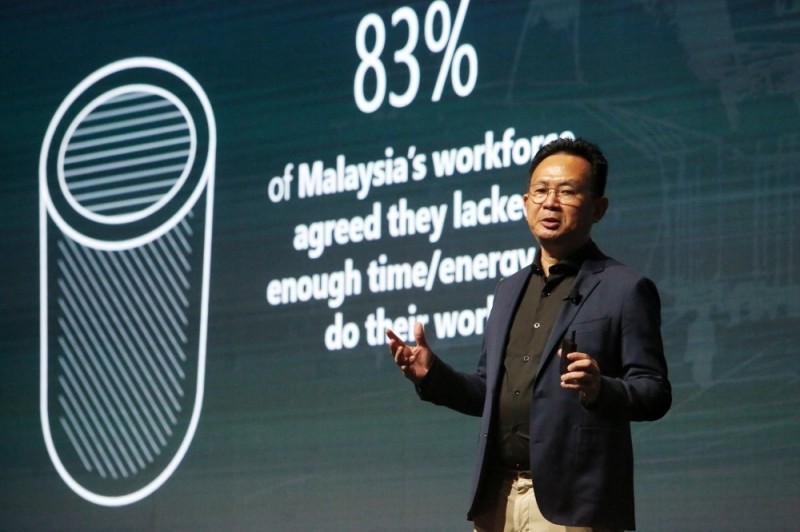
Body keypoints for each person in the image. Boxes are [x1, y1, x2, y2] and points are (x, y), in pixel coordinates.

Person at [386, 138, 671, 531]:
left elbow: (654, 392)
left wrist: (599, 389)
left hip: (572, 506)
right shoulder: (508, 290)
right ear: (525, 202)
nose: (550, 203)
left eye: (567, 192)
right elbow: (487, 392)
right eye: (540, 191)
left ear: (598, 208)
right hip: (497, 499)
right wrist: (431, 374)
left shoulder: (624, 288)